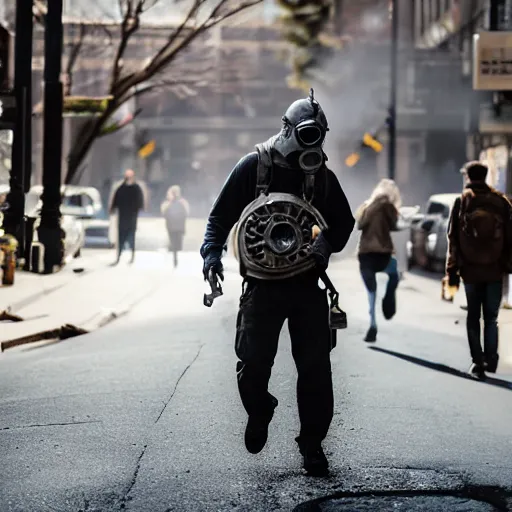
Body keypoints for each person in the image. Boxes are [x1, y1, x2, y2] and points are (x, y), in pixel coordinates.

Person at [200, 89, 354, 477]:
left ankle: (313, 445)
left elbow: (344, 222)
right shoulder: (253, 167)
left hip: (306, 284)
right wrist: (211, 255)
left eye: (317, 135)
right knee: (252, 363)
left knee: (316, 369)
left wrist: (325, 246)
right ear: (287, 129)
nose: (311, 143)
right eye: (305, 133)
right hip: (261, 287)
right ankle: (259, 408)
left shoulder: (320, 175)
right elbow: (219, 219)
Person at [446, 161, 512, 379]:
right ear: (486, 176)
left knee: (473, 315)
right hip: (495, 269)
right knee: (491, 317)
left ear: (467, 177)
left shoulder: (462, 201)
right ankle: (491, 358)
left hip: (470, 270)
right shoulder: (501, 202)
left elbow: (452, 238)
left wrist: (452, 269)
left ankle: (478, 362)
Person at [356, 179, 402, 343]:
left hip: (365, 254)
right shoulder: (387, 206)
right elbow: (394, 225)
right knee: (394, 273)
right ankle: (389, 298)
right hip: (382, 252)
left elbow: (359, 225)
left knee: (371, 292)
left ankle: (372, 325)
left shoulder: (366, 206)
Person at [109, 169, 145, 265]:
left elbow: (140, 202)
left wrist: (139, 209)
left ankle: (131, 256)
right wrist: (112, 208)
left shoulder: (136, 188)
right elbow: (116, 199)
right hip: (123, 217)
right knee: (121, 238)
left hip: (131, 217)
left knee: (131, 238)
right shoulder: (121, 188)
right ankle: (119, 257)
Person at [161, 185, 189, 267]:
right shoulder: (168, 204)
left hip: (177, 227)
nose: (168, 196)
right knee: (174, 244)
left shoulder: (182, 203)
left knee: (176, 244)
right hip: (172, 227)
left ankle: (175, 259)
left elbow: (185, 213)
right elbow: (164, 213)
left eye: (169, 194)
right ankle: (175, 259)